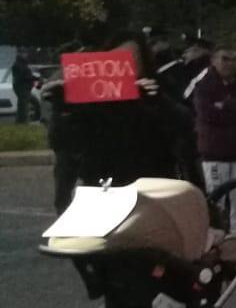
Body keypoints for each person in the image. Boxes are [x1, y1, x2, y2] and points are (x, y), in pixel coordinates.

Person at [48, 32, 195, 197]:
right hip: (105, 182)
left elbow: (186, 123)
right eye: (120, 58)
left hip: (153, 179)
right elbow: (64, 141)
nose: (129, 63)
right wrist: (62, 107)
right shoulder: (94, 92)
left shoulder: (160, 84)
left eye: (134, 57)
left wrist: (159, 100)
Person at [192, 47, 236, 233]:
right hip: (214, 154)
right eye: (225, 59)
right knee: (216, 202)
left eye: (234, 59)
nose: (230, 64)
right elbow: (207, 113)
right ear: (214, 60)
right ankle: (215, 239)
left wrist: (226, 106)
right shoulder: (203, 85)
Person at [11, 53, 36, 124]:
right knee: (24, 105)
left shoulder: (19, 65)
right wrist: (34, 78)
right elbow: (23, 77)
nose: (26, 56)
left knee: (22, 105)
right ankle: (23, 121)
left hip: (22, 87)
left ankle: (20, 121)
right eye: (24, 55)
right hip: (23, 88)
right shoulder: (19, 65)